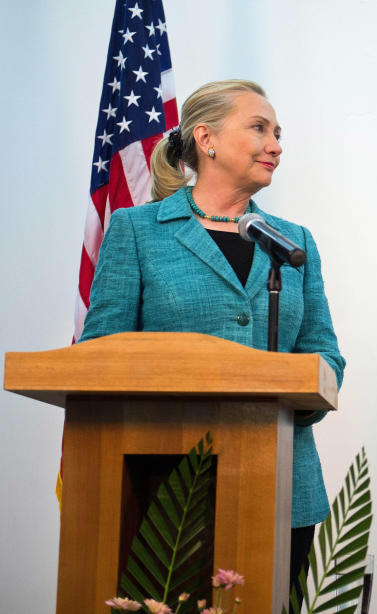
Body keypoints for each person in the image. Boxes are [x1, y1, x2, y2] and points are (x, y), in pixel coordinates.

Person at [79, 80, 345, 598]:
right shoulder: (138, 230)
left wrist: (288, 402)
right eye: (259, 128)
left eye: (278, 133)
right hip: (163, 484)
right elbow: (99, 355)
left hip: (282, 483)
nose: (276, 145)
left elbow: (324, 350)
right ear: (207, 139)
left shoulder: (294, 243)